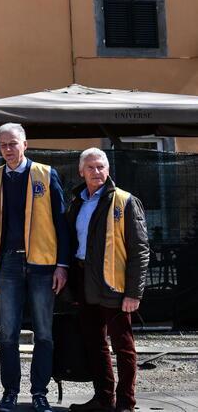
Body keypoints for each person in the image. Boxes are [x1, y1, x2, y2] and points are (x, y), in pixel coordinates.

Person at [0, 123, 70, 412]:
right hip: (8, 262)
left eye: (13, 143)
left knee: (44, 332)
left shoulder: (46, 174)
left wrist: (62, 264)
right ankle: (9, 391)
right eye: (3, 144)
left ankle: (39, 392)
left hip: (43, 264)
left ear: (25, 145)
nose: (8, 149)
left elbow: (61, 222)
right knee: (7, 333)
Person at [67, 149, 149, 412]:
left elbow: (140, 249)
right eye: (90, 167)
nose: (96, 172)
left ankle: (126, 403)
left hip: (114, 284)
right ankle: (104, 399)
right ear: (81, 171)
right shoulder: (76, 201)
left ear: (108, 169)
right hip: (83, 280)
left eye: (101, 166)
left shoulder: (125, 201)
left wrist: (133, 293)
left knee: (123, 346)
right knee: (95, 343)